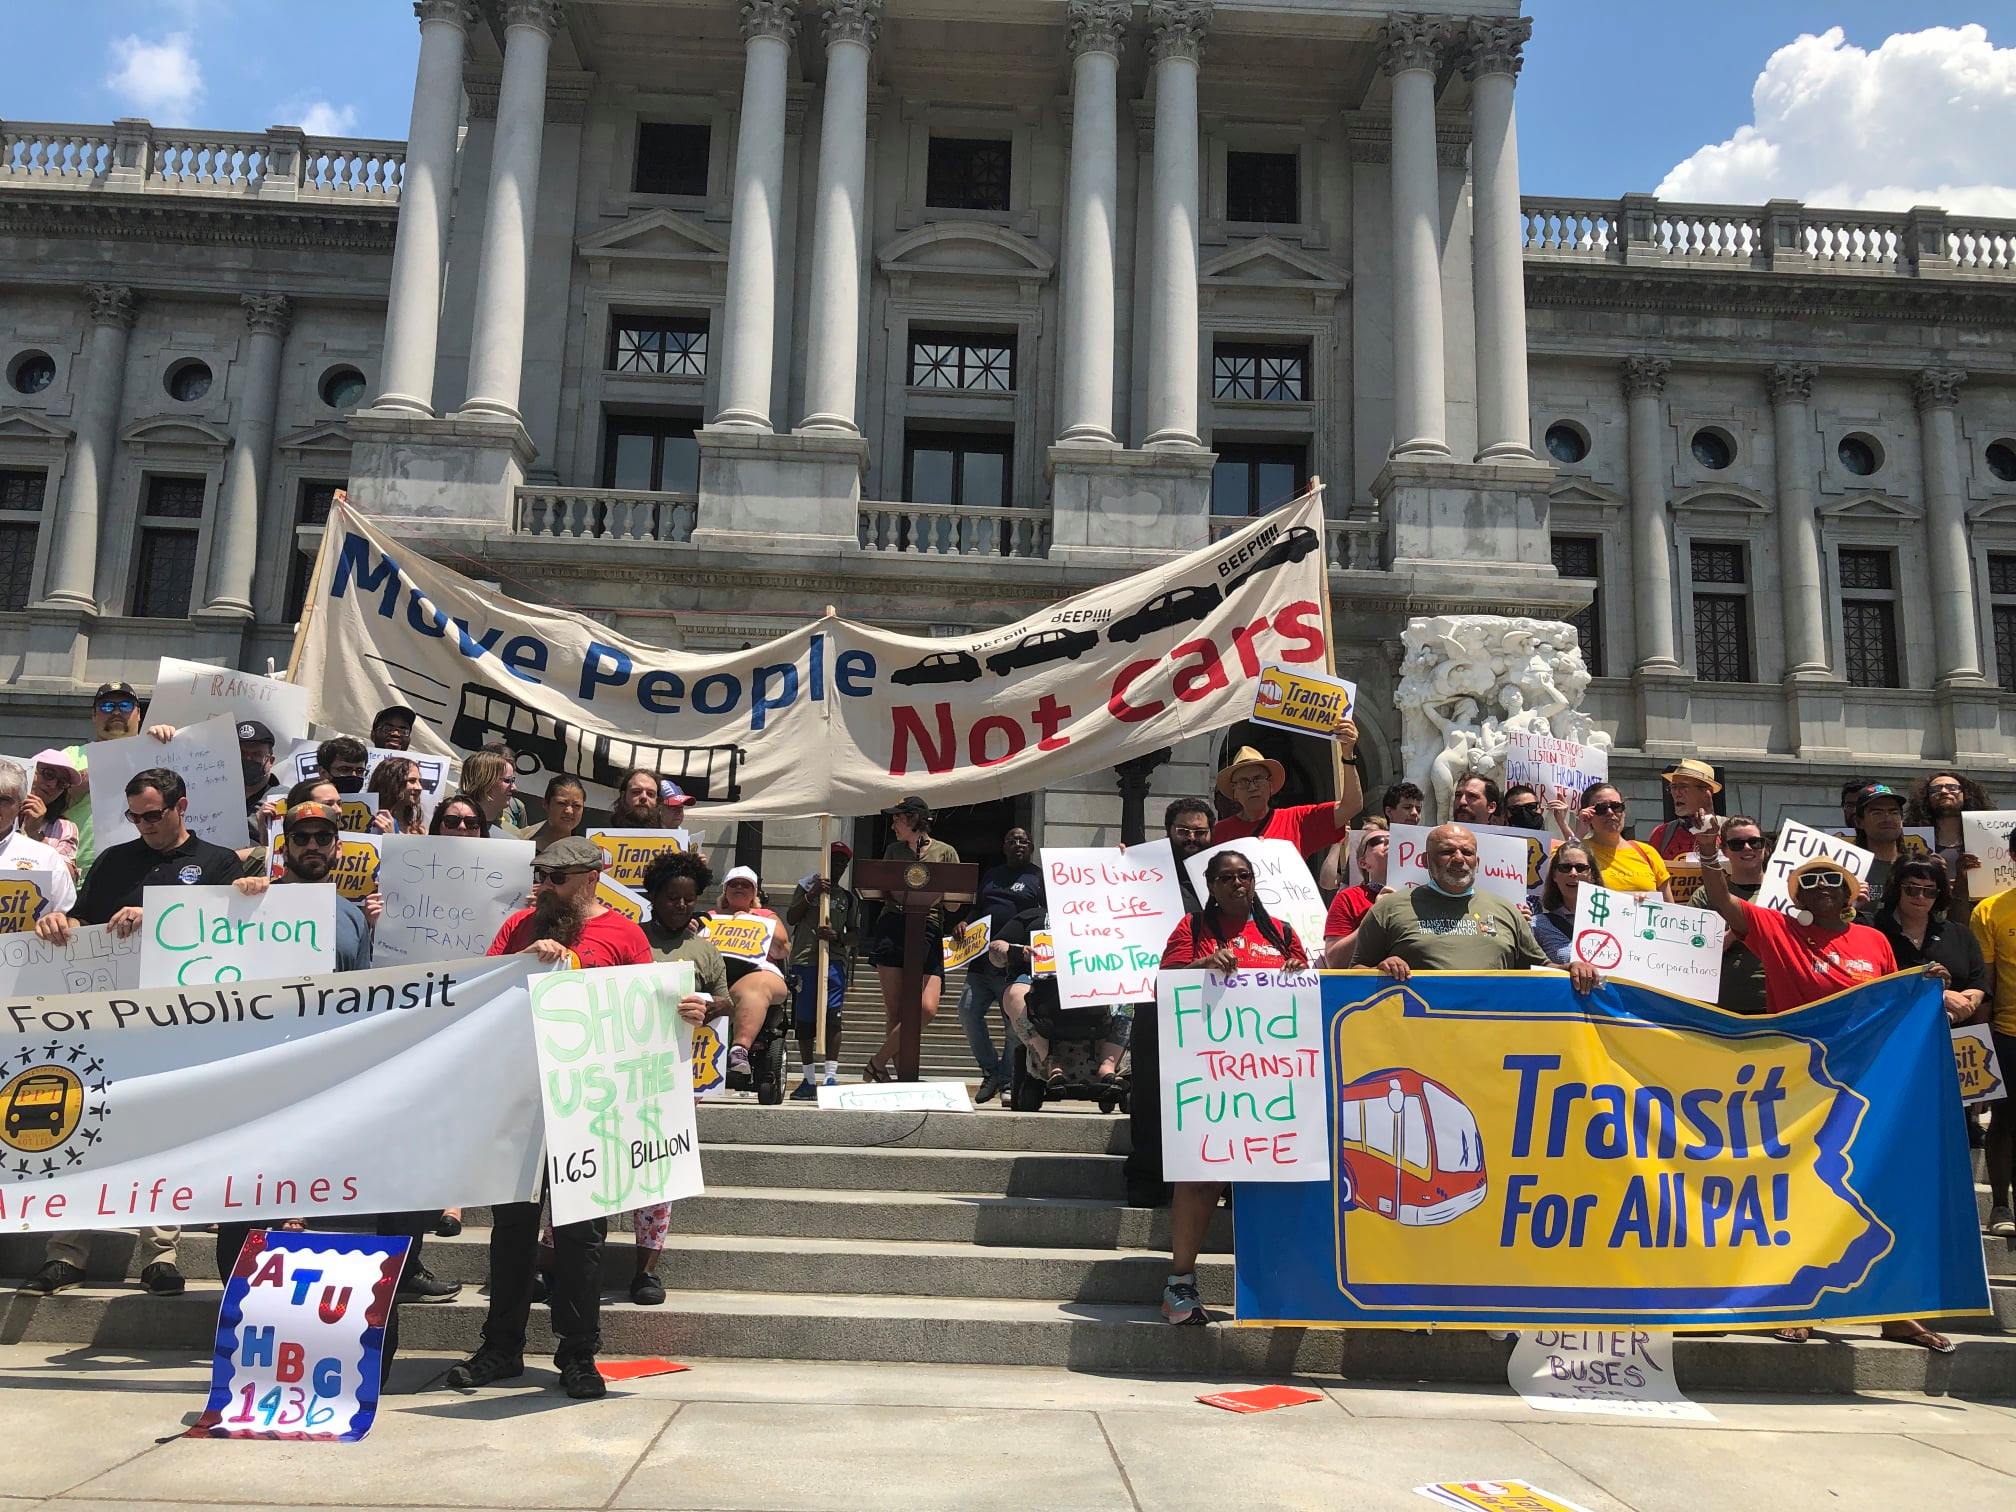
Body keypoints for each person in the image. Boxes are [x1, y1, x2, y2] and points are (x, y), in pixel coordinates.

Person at [1692, 819, 1952, 1352]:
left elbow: (1891, 1002)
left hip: (1865, 1084)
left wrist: (1925, 984)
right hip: (1798, 1083)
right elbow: (1721, 900)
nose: (1821, 888)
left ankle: (1896, 1312)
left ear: (1851, 893)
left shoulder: (1875, 941)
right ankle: (1796, 1304)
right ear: (1796, 896)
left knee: (1879, 1188)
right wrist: (1708, 852)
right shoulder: (1777, 930)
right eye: (1808, 882)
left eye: (1832, 880)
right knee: (1800, 1193)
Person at [212, 800, 457, 1312]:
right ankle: (239, 1296)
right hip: (264, 1076)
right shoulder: (250, 901)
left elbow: (364, 993)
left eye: (323, 838)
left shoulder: (352, 915)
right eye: (301, 838)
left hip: (333, 1075)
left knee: (397, 1162)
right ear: (285, 847)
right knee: (253, 1188)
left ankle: (396, 1275)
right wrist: (236, 897)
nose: (312, 846)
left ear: (338, 848)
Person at [21, 766, 252, 1300]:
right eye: (134, 816)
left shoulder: (217, 862)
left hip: (177, 1027)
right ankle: (66, 1252)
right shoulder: (113, 860)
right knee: (82, 1130)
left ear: (181, 806)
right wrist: (59, 924)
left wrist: (159, 918)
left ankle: (161, 1254)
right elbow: (82, 922)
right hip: (105, 1022)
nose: (144, 825)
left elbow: (230, 934)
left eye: (152, 815)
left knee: (162, 1136)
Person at [448, 835, 659, 1400]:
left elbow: (645, 1011)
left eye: (558, 878)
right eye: (541, 875)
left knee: (582, 1237)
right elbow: (481, 995)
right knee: (512, 1231)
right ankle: (501, 1347)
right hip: (521, 1100)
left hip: (588, 1106)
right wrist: (523, 963)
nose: (545, 886)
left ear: (591, 878)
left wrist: (687, 1009)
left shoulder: (625, 934)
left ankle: (578, 1353)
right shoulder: (519, 927)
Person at [1156, 848, 1309, 1324]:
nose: (1237, 883)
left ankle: (1274, 1292)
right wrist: (1202, 963)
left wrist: (1297, 974)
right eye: (1226, 877)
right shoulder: (1192, 929)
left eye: (1245, 875)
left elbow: (1308, 988)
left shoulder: (1282, 933)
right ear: (1211, 885)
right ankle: (1179, 1286)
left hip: (1275, 1080)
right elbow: (1164, 983)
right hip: (1210, 1078)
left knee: (1274, 1182)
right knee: (1200, 1178)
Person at [633, 850, 737, 1304]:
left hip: (677, 1075)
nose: (680, 905)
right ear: (654, 897)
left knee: (659, 1173)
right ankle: (553, 1259)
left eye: (688, 899)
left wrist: (712, 1007)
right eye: (671, 897)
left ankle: (646, 1271)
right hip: (621, 1072)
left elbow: (726, 1001)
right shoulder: (632, 937)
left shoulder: (704, 950)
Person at [1352, 825, 1600, 989]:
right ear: (1426, 860)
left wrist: (1572, 968)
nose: (1459, 858)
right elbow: (1353, 974)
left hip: (1491, 1038)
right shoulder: (1389, 908)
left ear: (1477, 861)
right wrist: (1379, 970)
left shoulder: (1506, 911)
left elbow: (1542, 968)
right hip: (1420, 1039)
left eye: (1467, 852)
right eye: (1447, 851)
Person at [1125, 799, 1212, 1207]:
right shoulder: (1144, 872)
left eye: (1200, 832)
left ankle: (1213, 1176)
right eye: (1183, 831)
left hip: (1212, 1002)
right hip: (1154, 998)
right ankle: (1147, 1176)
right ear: (1169, 832)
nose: (1192, 839)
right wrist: (1118, 868)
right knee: (1149, 1088)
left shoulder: (1224, 874)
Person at [865, 795, 960, 1081]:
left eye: (898, 818)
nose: (893, 824)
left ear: (914, 819)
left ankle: (877, 1061)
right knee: (895, 1010)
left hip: (928, 928)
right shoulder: (893, 850)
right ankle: (899, 1077)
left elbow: (954, 904)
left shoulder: (945, 852)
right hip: (893, 925)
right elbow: (881, 887)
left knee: (926, 1007)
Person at [959, 826, 1045, 1102]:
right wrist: (965, 922)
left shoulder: (1039, 878)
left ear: (1031, 848)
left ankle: (1007, 1080)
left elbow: (1047, 916)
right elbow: (978, 908)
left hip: (1015, 965)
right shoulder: (991, 876)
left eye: (1024, 841)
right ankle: (991, 1072)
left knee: (1013, 1027)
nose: (1018, 844)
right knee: (967, 1012)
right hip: (981, 961)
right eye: (1012, 841)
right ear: (1003, 847)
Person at [1211, 725, 1363, 853]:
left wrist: (1347, 755)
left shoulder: (1297, 820)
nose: (1252, 786)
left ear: (1271, 785)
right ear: (1234, 792)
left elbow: (1351, 806)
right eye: (1244, 781)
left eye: (1258, 779)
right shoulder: (1219, 832)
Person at [708, 865, 792, 1090]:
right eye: (733, 884)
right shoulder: (711, 917)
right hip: (718, 975)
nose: (739, 887)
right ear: (725, 890)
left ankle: (739, 1049)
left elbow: (782, 948)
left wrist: (751, 920)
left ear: (754, 892)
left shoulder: (766, 916)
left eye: (745, 885)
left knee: (755, 988)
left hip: (758, 972)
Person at [786, 840, 857, 1099]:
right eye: (834, 860)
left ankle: (830, 1076)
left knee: (833, 1018)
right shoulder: (806, 886)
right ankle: (808, 1079)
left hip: (834, 962)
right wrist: (812, 894)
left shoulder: (847, 898)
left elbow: (855, 935)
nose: (838, 866)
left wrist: (838, 936)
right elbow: (791, 917)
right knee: (805, 1020)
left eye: (843, 863)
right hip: (806, 960)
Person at [1973, 832, 2016, 1237]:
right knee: (2004, 1120)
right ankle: (2001, 1205)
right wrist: (1982, 1040)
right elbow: (1985, 982)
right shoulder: (1989, 911)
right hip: (2008, 1033)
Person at [1908, 770, 1993, 915]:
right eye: (1936, 789)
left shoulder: (1986, 836)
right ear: (1926, 798)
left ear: (1965, 795)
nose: (1944, 791)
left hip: (1979, 912)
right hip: (1929, 913)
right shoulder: (1914, 837)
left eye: (1952, 787)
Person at [0, 760, 77, 918]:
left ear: (20, 805)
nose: (52, 784)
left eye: (4, 800)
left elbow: (65, 913)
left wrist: (56, 921)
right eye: (48, 774)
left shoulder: (46, 856)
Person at [1714, 816, 1773, 1014]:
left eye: (1755, 842)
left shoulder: (1790, 893)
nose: (1747, 848)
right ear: (1724, 851)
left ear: (1765, 848)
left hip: (1778, 1005)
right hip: (1721, 1009)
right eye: (1737, 844)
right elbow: (1690, 951)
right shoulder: (1707, 894)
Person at [1576, 782, 1671, 899]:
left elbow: (1669, 905)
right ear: (1587, 814)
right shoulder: (1580, 851)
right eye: (1601, 809)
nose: (1610, 812)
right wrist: (1580, 831)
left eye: (1616, 806)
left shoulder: (1647, 852)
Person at [1321, 822, 1390, 967]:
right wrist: (1375, 914)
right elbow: (1334, 960)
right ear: (1363, 863)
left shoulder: (1422, 897)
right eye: (1377, 841)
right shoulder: (1348, 898)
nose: (1389, 842)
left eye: (1394, 839)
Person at [1531, 842, 1603, 966]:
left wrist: (1638, 908)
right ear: (1554, 875)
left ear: (1592, 875)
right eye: (1565, 867)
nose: (1573, 873)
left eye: (1581, 868)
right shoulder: (1537, 925)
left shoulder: (1614, 920)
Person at [1647, 759, 1719, 860]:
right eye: (1673, 787)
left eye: (1683, 787)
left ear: (1707, 792)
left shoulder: (1729, 833)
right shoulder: (1661, 834)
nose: (1677, 793)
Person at [21, 749, 83, 864]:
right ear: (29, 769)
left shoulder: (65, 828)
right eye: (49, 774)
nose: (53, 785)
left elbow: (66, 872)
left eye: (62, 783)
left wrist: (35, 835)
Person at [1852, 783, 1910, 897]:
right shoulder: (1847, 868)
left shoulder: (1915, 866)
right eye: (1877, 813)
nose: (1887, 818)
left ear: (1902, 821)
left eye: (1894, 812)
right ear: (1859, 822)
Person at [457, 749, 518, 832]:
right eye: (508, 780)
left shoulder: (512, 834)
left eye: (513, 780)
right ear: (485, 782)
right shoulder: (448, 826)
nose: (514, 788)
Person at [520, 774, 588, 849]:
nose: (569, 811)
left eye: (576, 805)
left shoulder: (588, 850)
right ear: (546, 804)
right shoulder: (524, 846)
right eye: (562, 803)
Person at [237, 719, 282, 825]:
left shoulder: (285, 800)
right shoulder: (214, 797)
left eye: (256, 754)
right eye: (242, 753)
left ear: (270, 761)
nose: (248, 759)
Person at [367, 755, 427, 833]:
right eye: (412, 780)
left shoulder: (418, 830)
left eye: (420, 781)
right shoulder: (367, 822)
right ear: (392, 783)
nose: (419, 787)